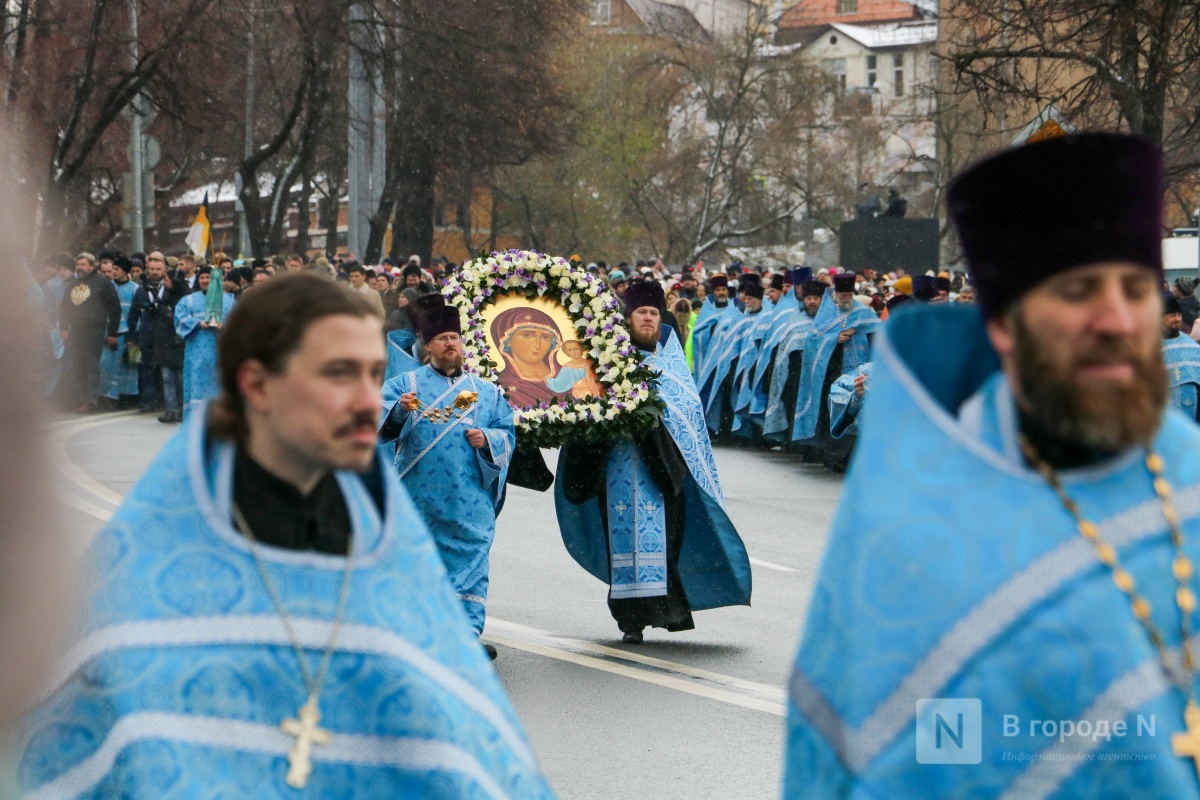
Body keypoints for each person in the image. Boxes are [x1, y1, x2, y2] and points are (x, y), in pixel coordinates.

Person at [19, 273, 553, 797]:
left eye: (374, 374)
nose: (371, 402)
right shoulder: (135, 569)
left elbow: (469, 757)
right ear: (257, 384)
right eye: (341, 374)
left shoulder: (387, 540)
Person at [783, 133, 1200, 796]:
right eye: (1080, 291)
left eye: (1137, 289)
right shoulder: (912, 520)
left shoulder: (1191, 477)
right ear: (1005, 324)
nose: (1118, 319)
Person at [555, 281, 751, 642]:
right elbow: (582, 406)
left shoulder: (672, 366)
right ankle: (631, 619)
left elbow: (688, 413)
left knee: (666, 542)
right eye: (641, 313)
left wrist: (653, 424)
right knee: (623, 542)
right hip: (615, 467)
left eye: (653, 314)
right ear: (628, 319)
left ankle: (667, 608)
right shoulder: (606, 363)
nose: (648, 319)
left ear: (662, 321)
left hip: (663, 469)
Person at [378, 305, 515, 658]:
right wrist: (397, 413)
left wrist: (488, 439)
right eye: (442, 339)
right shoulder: (405, 386)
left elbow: (507, 433)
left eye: (454, 337)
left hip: (469, 497)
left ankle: (467, 636)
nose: (450, 343)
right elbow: (375, 428)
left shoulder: (487, 392)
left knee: (471, 563)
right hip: (419, 496)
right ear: (428, 346)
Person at [58, 252, 121, 413]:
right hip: (76, 330)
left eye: (83, 265)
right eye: (78, 265)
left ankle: (91, 399)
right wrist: (64, 328)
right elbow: (64, 307)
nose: (79, 268)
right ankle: (81, 397)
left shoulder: (103, 283)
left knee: (92, 365)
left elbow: (115, 308)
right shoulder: (72, 284)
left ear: (92, 266)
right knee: (77, 365)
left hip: (95, 330)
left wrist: (112, 332)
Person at [129, 251, 187, 422]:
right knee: (149, 369)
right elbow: (133, 313)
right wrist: (132, 336)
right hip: (148, 334)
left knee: (171, 374)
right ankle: (149, 401)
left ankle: (172, 405)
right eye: (151, 269)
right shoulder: (141, 289)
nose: (154, 272)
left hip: (169, 337)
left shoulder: (171, 288)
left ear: (165, 270)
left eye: (158, 269)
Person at [175, 268, 237, 420]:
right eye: (201, 277)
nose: (204, 280)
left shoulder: (229, 301)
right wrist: (197, 323)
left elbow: (238, 323)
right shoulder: (188, 301)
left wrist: (224, 326)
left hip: (220, 355)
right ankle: (194, 426)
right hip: (196, 355)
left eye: (208, 277)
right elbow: (179, 317)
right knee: (196, 389)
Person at [492, 306, 568, 407]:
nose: (538, 344)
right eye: (527, 335)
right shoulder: (499, 385)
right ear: (507, 340)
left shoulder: (569, 377)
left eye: (546, 337)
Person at [97, 256, 141, 409]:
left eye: (116, 269)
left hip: (131, 334)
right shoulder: (108, 286)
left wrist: (134, 335)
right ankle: (109, 397)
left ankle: (127, 397)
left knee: (130, 365)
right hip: (113, 333)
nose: (113, 272)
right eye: (112, 269)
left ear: (125, 271)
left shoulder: (135, 288)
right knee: (108, 365)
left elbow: (137, 314)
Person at [1163, 292, 1200, 422]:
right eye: (1172, 315)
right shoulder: (1149, 347)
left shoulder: (1193, 348)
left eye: (1179, 315)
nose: (1177, 319)